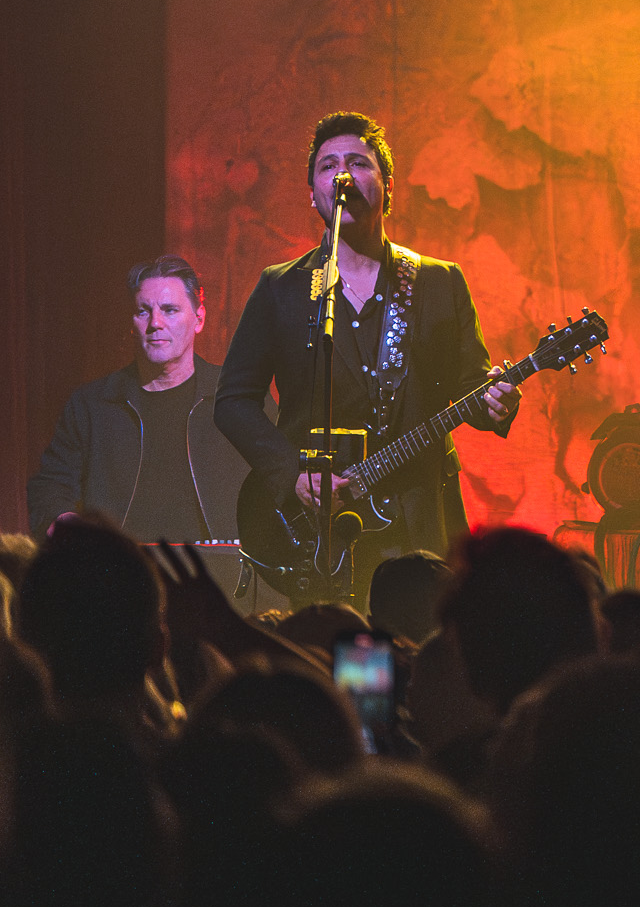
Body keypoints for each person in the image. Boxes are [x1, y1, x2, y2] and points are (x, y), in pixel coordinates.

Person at [214, 112, 518, 598]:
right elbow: (233, 401)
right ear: (311, 190)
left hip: (416, 521)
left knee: (413, 655)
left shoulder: (439, 282)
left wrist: (496, 401)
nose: (342, 174)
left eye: (357, 163)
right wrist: (292, 475)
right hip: (320, 529)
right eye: (328, 165)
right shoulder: (281, 287)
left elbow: (471, 389)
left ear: (387, 185)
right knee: (339, 662)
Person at [28, 255, 255, 540]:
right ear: (131, 322)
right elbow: (49, 487)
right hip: (121, 572)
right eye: (143, 311)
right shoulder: (92, 404)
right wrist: (65, 521)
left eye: (170, 310)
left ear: (199, 319)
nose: (155, 323)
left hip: (218, 574)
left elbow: (278, 476)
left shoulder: (235, 397)